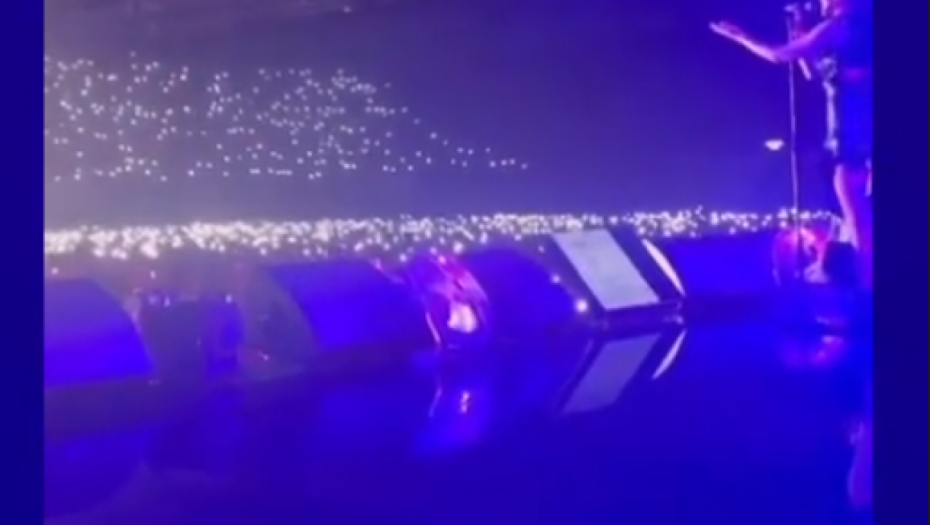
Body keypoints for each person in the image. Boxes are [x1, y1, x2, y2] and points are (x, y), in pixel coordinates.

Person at [709, 0, 873, 292]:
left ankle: (867, 290)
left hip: (853, 136)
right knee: (861, 216)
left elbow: (779, 55)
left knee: (858, 220)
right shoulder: (856, 30)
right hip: (856, 133)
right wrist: (801, 33)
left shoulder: (837, 26)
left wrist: (741, 37)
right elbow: (813, 73)